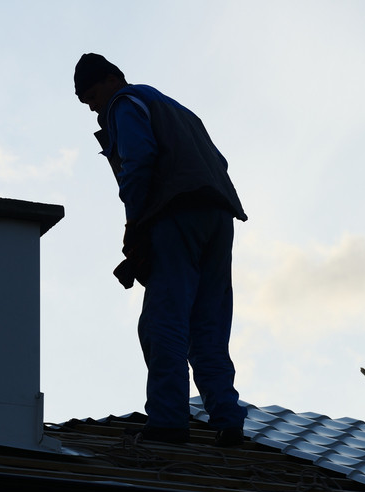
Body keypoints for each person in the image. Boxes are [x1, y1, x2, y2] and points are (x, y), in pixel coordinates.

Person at [74, 53, 247, 446]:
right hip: (219, 217)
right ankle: (228, 420)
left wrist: (135, 225)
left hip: (176, 214)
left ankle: (168, 421)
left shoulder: (126, 102)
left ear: (112, 80)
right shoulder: (177, 110)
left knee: (162, 321)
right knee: (208, 325)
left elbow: (138, 160)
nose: (95, 109)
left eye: (93, 97)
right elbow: (219, 161)